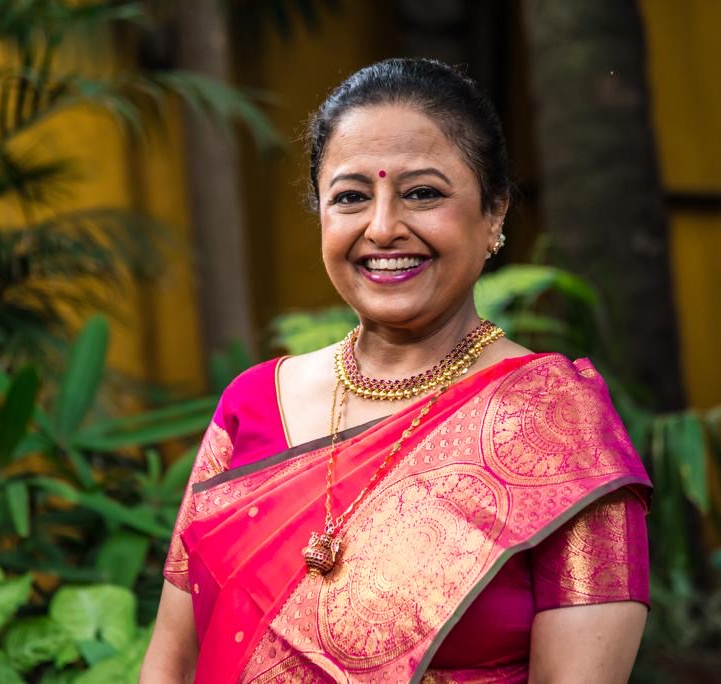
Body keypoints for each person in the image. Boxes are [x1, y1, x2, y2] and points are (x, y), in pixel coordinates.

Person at [141, 58, 651, 683]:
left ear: (494, 213)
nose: (382, 228)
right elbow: (172, 661)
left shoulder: (556, 428)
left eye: (423, 194)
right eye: (351, 197)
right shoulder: (252, 404)